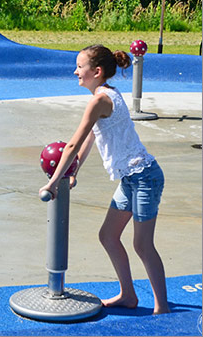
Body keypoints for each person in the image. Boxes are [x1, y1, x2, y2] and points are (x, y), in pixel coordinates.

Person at [39, 44, 170, 315]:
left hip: (145, 176)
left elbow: (72, 144)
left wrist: (54, 182)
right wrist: (74, 172)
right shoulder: (105, 94)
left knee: (142, 245)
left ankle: (162, 309)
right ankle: (128, 295)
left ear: (96, 71)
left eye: (79, 66)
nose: (75, 71)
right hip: (130, 178)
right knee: (108, 236)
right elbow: (90, 138)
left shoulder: (100, 99)